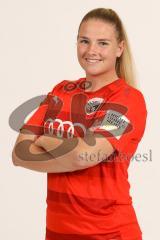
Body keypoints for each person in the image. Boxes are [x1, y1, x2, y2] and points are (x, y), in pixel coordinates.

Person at [12, 8, 147, 240]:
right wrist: (74, 151)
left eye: (102, 43)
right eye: (84, 41)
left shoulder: (128, 99)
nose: (91, 51)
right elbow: (20, 153)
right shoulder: (60, 90)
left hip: (109, 234)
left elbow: (86, 156)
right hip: (57, 233)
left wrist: (45, 139)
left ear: (119, 48)